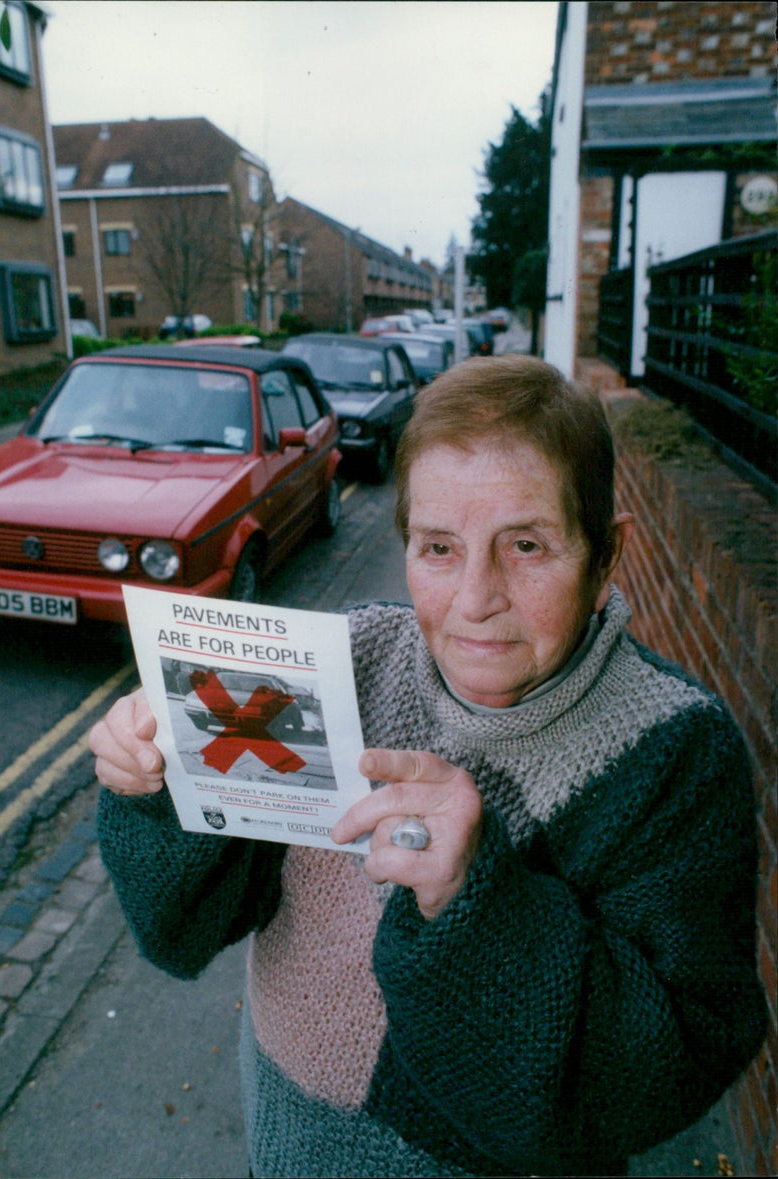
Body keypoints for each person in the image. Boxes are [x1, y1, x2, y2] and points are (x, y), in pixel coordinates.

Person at [89, 354, 765, 1178]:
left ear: (605, 557)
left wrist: (477, 901)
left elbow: (668, 1071)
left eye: (526, 544)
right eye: (439, 546)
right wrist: (155, 788)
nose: (477, 598)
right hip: (278, 1142)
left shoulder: (677, 752)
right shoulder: (349, 660)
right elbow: (186, 925)